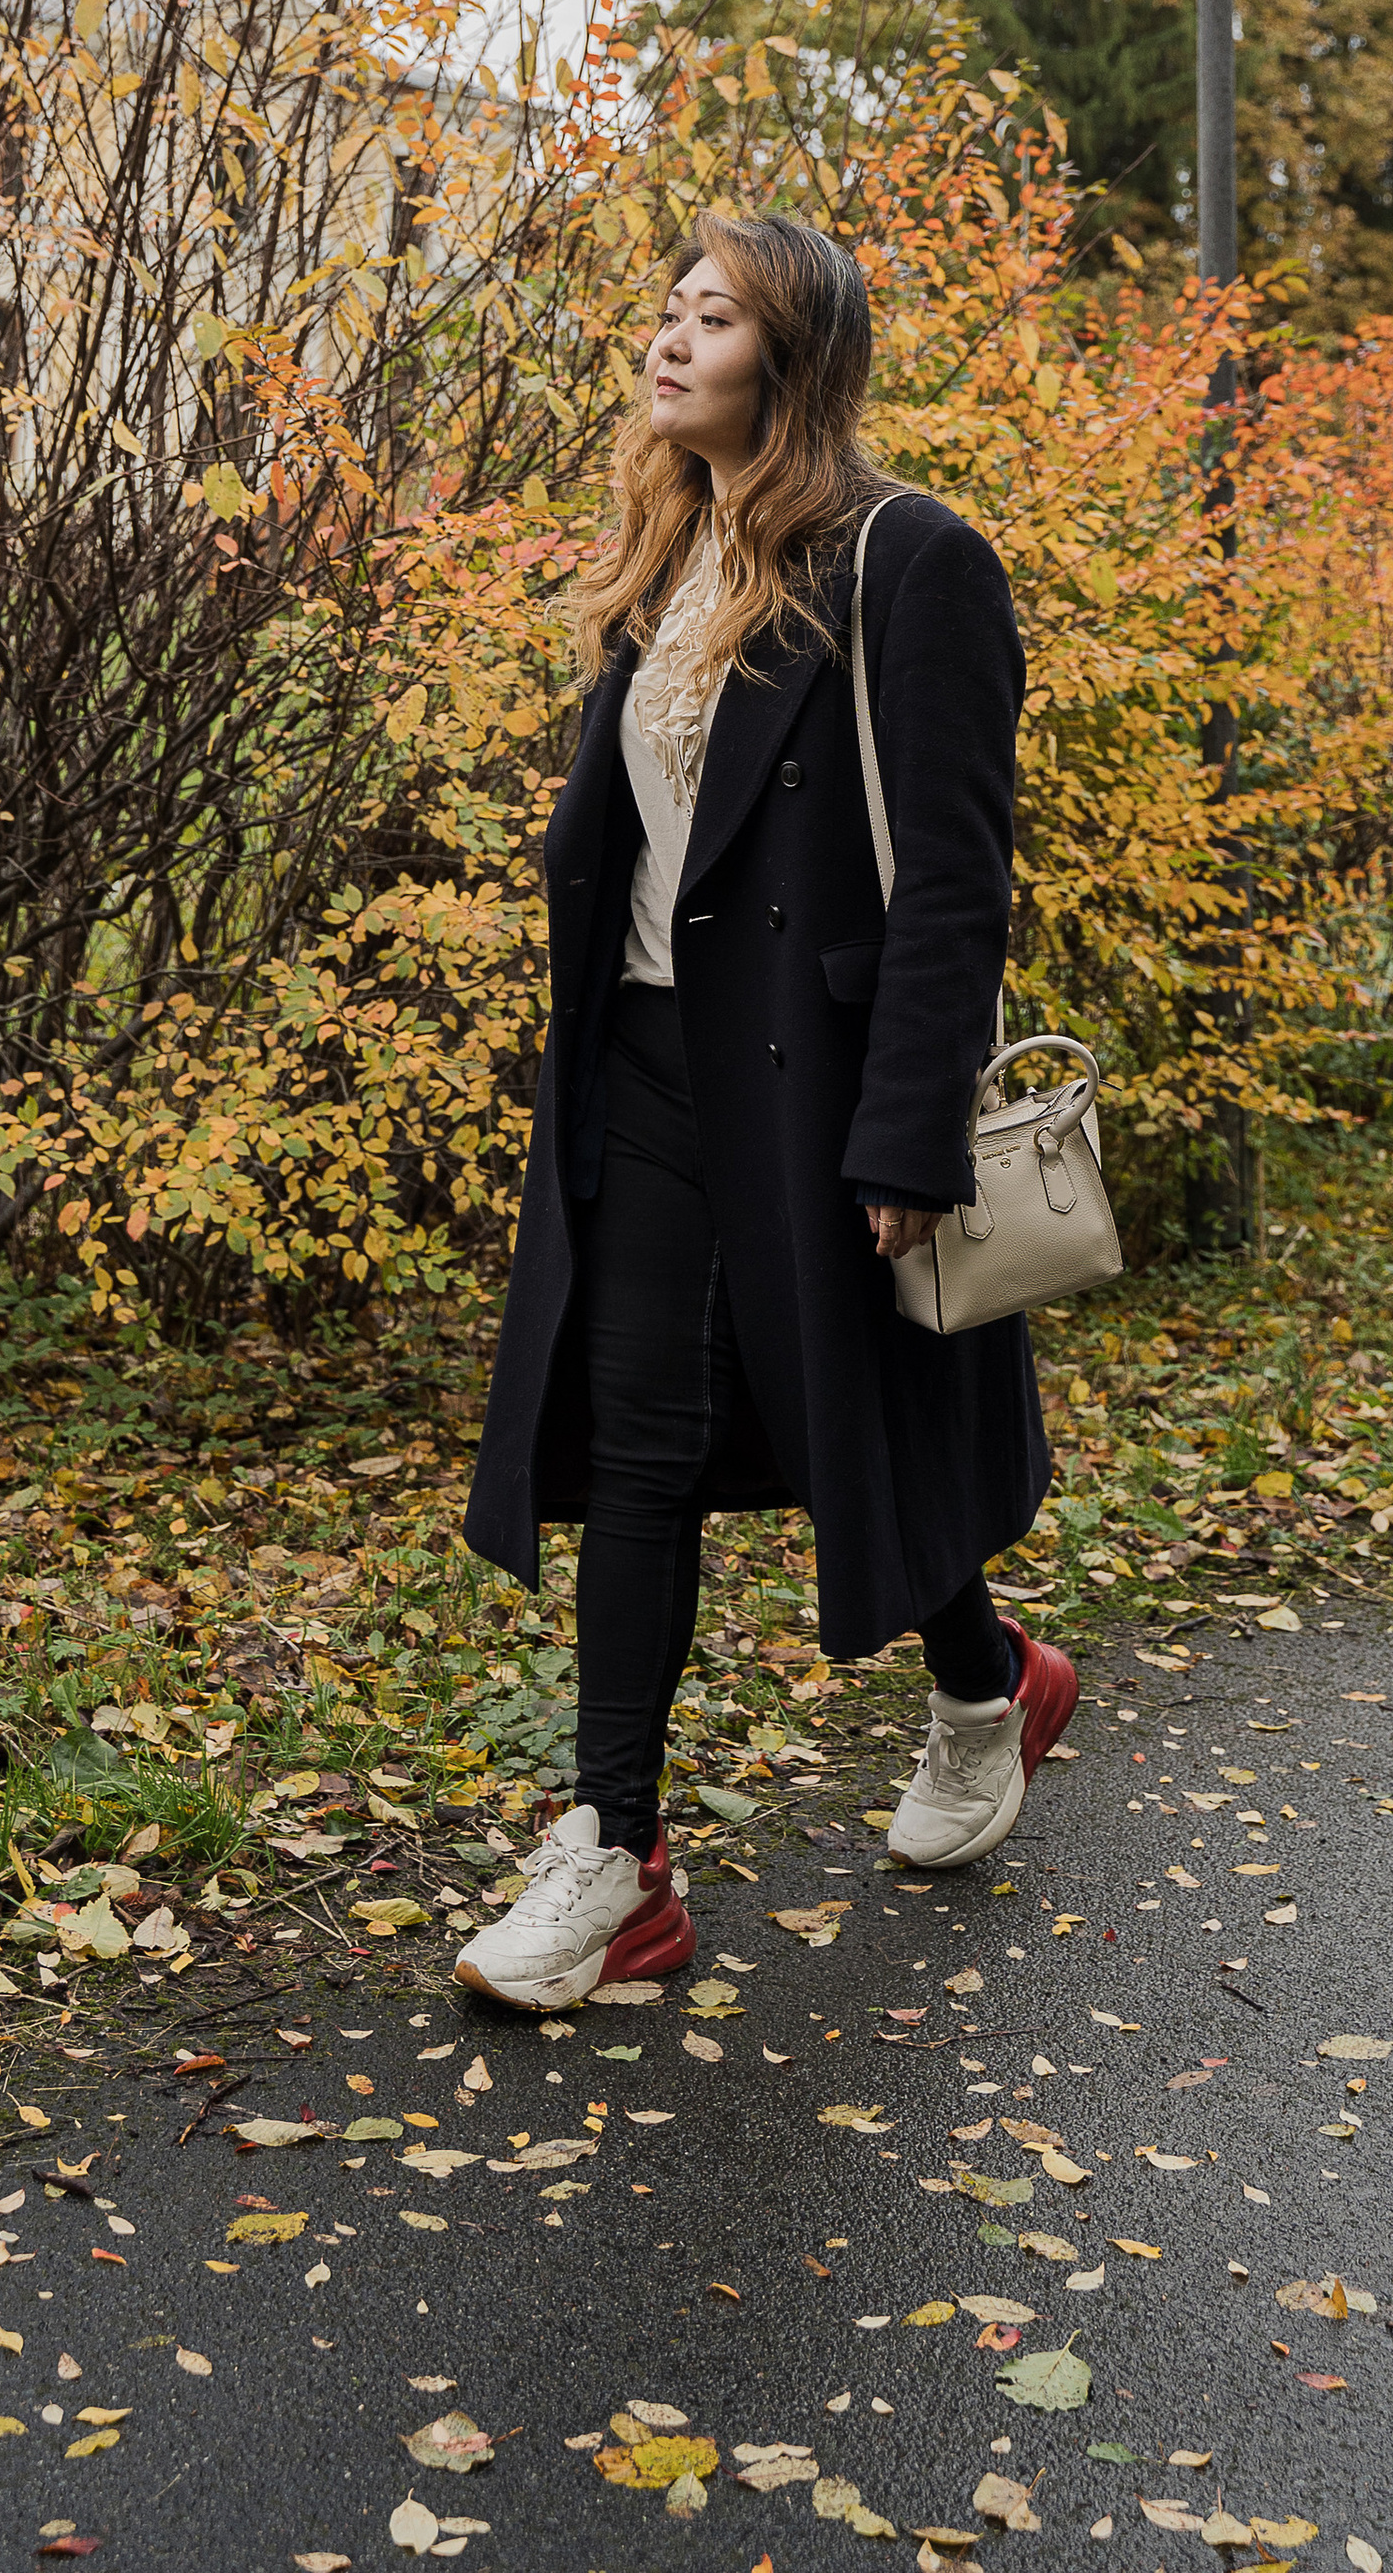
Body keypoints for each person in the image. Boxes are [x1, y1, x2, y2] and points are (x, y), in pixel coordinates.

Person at [457, 213, 1075, 2011]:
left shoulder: (907, 560)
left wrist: (903, 1135)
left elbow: (956, 881)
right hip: (648, 1070)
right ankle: (617, 1859)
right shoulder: (671, 556)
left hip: (815, 1096)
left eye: (712, 318)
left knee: (839, 1425)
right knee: (644, 1445)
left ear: (789, 361)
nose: (670, 341)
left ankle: (988, 1687)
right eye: (669, 310)